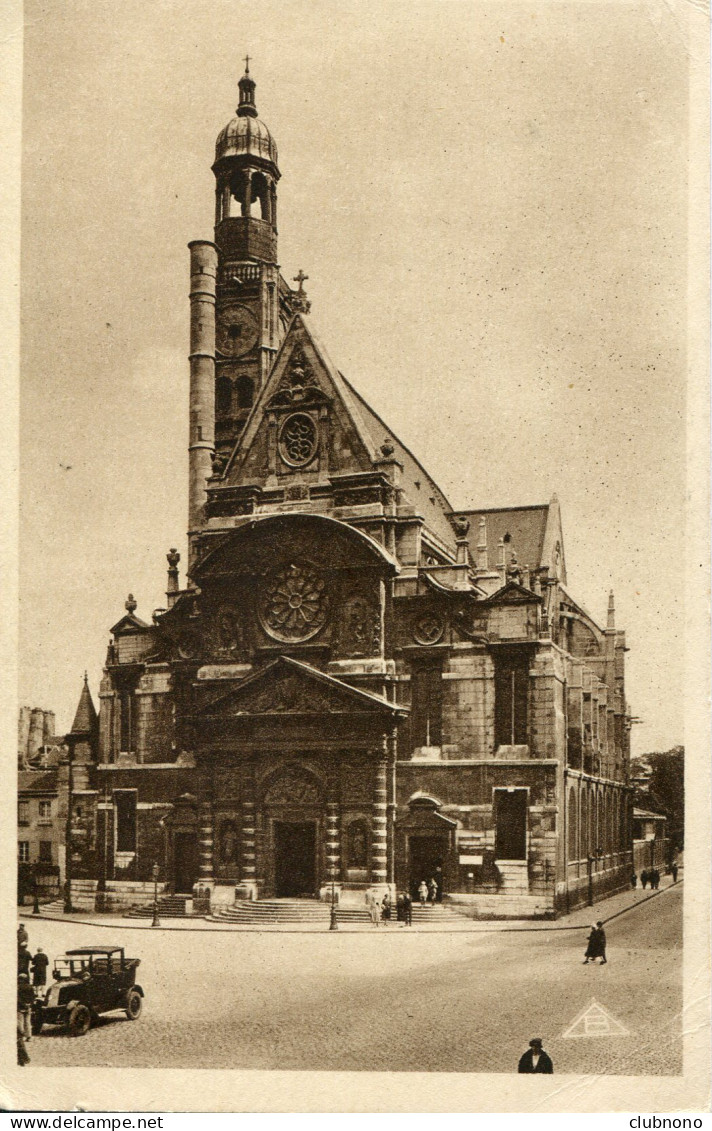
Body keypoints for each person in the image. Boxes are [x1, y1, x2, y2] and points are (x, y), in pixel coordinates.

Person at [17, 973, 34, 1043]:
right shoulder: (30, 987)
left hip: (20, 1007)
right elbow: (33, 997)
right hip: (28, 1006)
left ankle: (22, 1036)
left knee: (20, 1022)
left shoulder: (18, 987)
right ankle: (29, 1036)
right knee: (28, 1022)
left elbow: (18, 998)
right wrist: (29, 1004)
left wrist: (23, 1004)